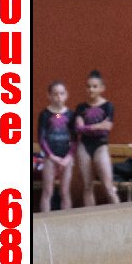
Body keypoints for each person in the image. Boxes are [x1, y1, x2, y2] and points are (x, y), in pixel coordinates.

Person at [73, 70, 119, 206]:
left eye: (94, 86)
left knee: (108, 186)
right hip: (84, 146)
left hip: (100, 145)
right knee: (87, 186)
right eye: (88, 86)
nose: (91, 89)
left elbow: (107, 127)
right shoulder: (81, 107)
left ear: (102, 88)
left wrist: (87, 127)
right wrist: (98, 126)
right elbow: (79, 128)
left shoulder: (108, 106)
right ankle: (90, 216)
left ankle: (120, 214)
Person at [38, 80, 74, 212]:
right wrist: (52, 157)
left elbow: (75, 139)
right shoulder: (45, 114)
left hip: (66, 157)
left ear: (66, 95)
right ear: (49, 95)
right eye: (55, 94)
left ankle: (67, 220)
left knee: (65, 191)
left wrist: (68, 157)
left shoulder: (70, 115)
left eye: (61, 93)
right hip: (50, 157)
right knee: (48, 191)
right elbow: (41, 139)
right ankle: (45, 221)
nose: (59, 97)